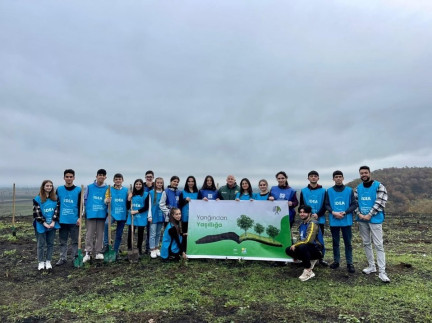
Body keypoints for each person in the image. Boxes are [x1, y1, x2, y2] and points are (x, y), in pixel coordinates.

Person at [355, 166, 390, 283]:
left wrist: (370, 214)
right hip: (362, 220)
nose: (363, 175)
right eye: (361, 173)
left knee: (378, 244)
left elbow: (380, 201)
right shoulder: (358, 188)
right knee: (366, 243)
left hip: (375, 220)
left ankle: (382, 272)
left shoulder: (379, 186)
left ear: (369, 173)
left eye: (365, 172)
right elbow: (354, 202)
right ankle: (371, 266)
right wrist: (359, 214)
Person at [325, 170, 357, 273]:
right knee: (335, 242)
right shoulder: (329, 191)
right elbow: (326, 204)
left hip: (346, 220)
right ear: (333, 179)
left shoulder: (349, 190)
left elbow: (354, 204)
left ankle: (349, 263)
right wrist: (333, 212)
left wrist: (345, 212)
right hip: (334, 221)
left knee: (348, 243)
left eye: (340, 176)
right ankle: (336, 261)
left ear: (343, 178)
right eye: (336, 177)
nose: (338, 178)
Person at [285, 205, 324, 281]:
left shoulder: (313, 223)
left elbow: (308, 240)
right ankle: (308, 260)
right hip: (307, 248)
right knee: (288, 250)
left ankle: (308, 270)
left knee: (302, 246)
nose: (302, 214)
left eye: (304, 212)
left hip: (317, 250)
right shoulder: (302, 224)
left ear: (309, 213)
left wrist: (296, 245)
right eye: (300, 212)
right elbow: (300, 238)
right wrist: (295, 246)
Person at [299, 170, 328, 266]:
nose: (313, 177)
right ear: (308, 178)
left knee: (319, 239)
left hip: (320, 219)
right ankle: (306, 258)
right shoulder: (303, 191)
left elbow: (325, 205)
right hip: (307, 220)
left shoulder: (323, 191)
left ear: (318, 178)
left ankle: (320, 259)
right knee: (306, 238)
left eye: (315, 176)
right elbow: (302, 205)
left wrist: (318, 214)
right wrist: (308, 215)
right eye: (311, 176)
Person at [56, 169, 81, 266]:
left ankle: (75, 258)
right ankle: (63, 258)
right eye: (67, 177)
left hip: (74, 220)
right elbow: (56, 204)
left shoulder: (79, 190)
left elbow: (81, 205)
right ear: (64, 178)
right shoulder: (59, 189)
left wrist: (79, 217)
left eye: (71, 177)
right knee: (62, 241)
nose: (69, 178)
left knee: (75, 241)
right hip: (62, 220)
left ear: (74, 178)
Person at [33, 180, 60, 270]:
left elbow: (57, 210)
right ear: (43, 187)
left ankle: (48, 261)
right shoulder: (37, 199)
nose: (49, 187)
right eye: (47, 186)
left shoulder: (55, 198)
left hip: (52, 224)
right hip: (41, 224)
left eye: (50, 186)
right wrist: (44, 223)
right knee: (41, 244)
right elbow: (37, 213)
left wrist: (53, 221)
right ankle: (41, 262)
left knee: (50, 243)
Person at [83, 169, 108, 263]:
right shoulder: (90, 187)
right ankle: (88, 253)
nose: (101, 177)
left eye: (103, 175)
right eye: (99, 175)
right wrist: (87, 210)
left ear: (105, 177)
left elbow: (107, 199)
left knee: (100, 234)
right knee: (89, 234)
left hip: (102, 213)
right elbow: (85, 199)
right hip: (91, 214)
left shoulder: (107, 188)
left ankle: (98, 252)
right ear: (96, 176)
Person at [103, 173, 128, 259]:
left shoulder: (126, 190)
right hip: (112, 213)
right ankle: (106, 244)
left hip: (122, 213)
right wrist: (107, 200)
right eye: (116, 179)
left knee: (119, 234)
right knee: (106, 224)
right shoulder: (109, 189)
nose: (118, 180)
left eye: (119, 179)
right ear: (114, 180)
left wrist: (130, 198)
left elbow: (128, 201)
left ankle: (116, 251)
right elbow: (105, 199)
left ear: (122, 180)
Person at [127, 179, 152, 255]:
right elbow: (127, 206)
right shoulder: (131, 194)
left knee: (140, 234)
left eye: (140, 184)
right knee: (130, 233)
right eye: (136, 184)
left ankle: (139, 249)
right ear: (134, 185)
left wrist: (136, 211)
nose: (138, 185)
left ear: (142, 185)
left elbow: (146, 207)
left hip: (141, 216)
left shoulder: (146, 194)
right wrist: (128, 199)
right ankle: (130, 249)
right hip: (132, 217)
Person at [149, 177, 165, 258]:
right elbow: (149, 205)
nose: (159, 184)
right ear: (155, 183)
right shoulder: (151, 193)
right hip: (153, 216)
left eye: (161, 183)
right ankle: (152, 249)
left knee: (159, 233)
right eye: (158, 183)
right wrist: (149, 216)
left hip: (161, 216)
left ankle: (156, 248)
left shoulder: (164, 193)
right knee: (153, 233)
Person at [143, 170, 155, 253]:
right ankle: (137, 248)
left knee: (150, 231)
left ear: (153, 177)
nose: (149, 178)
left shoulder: (155, 186)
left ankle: (148, 248)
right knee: (140, 230)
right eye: (147, 177)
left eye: (150, 177)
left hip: (151, 212)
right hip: (142, 211)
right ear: (145, 177)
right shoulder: (142, 186)